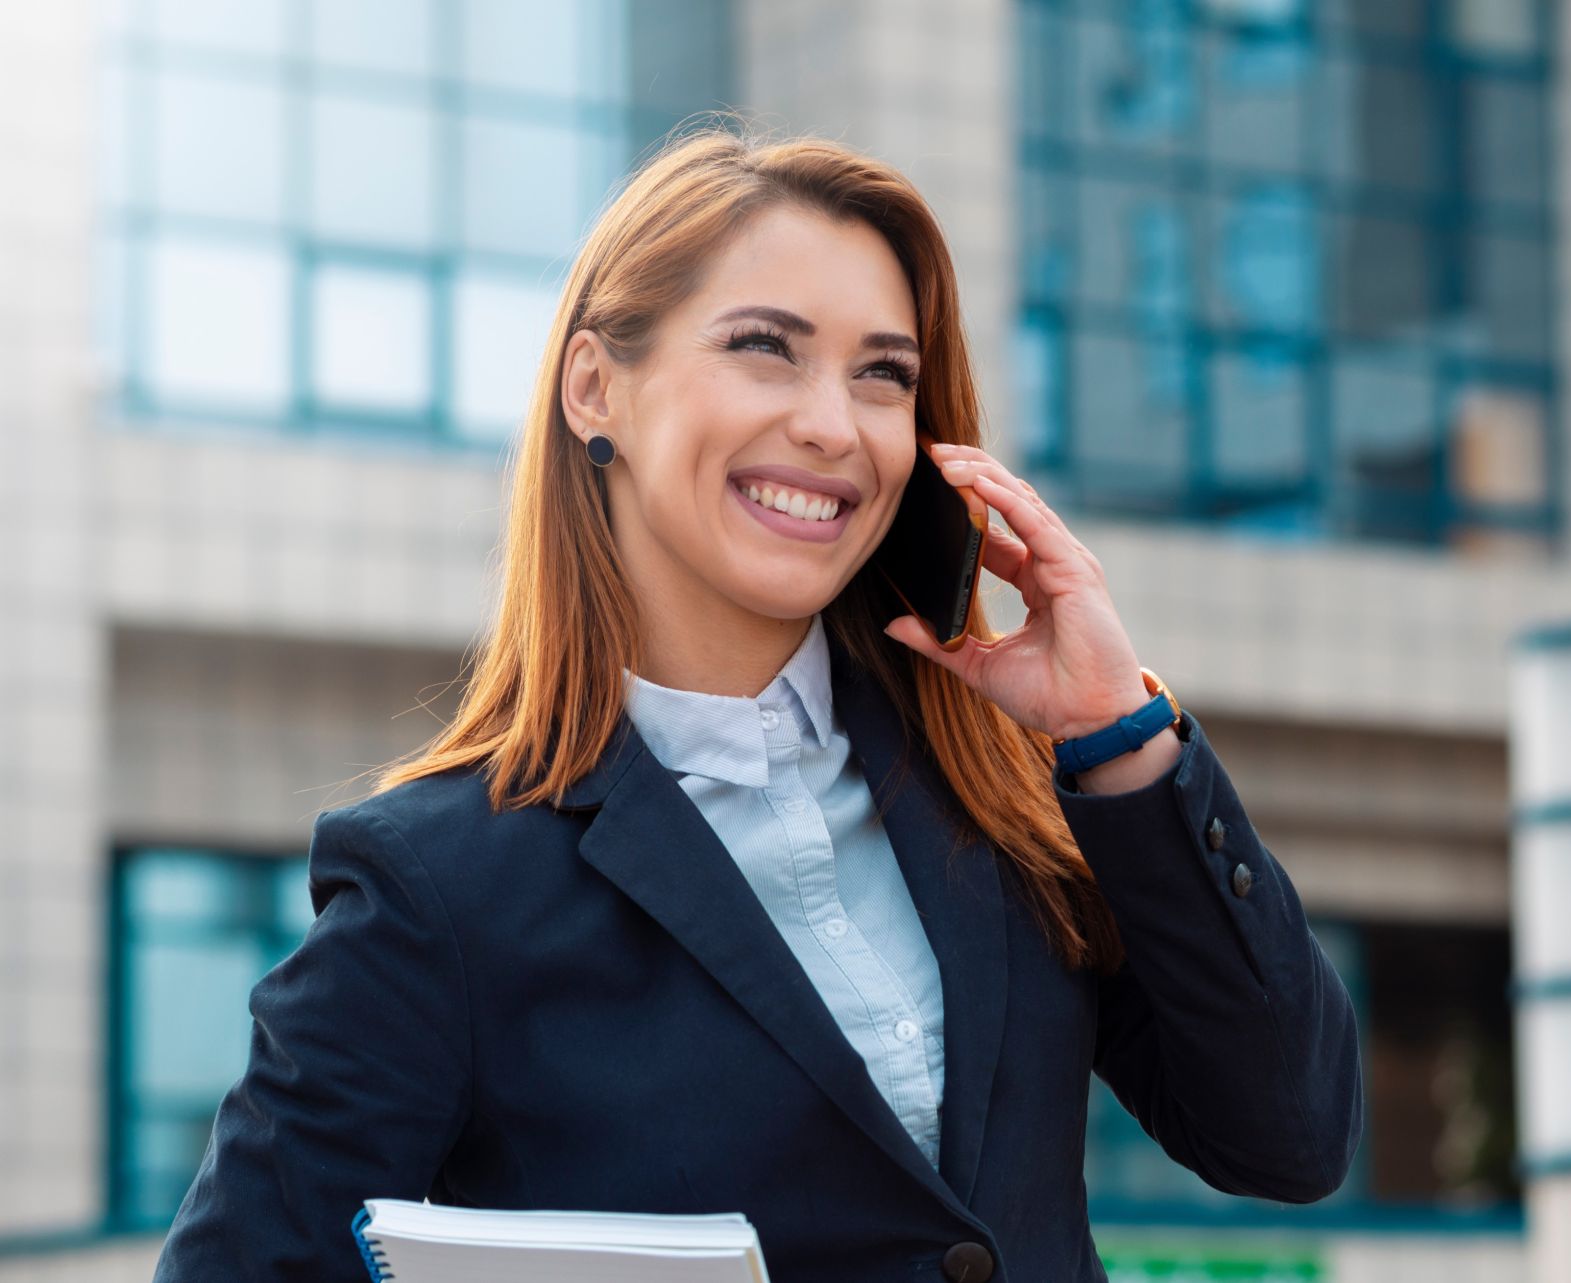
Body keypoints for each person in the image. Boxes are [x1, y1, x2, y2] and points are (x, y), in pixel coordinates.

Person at [151, 121, 1362, 1283]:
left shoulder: (995, 801)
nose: (833, 425)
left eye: (885, 374)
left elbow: (1290, 1136)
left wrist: (1121, 735)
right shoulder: (440, 888)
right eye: (765, 346)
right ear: (595, 389)